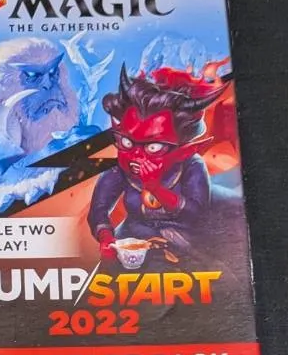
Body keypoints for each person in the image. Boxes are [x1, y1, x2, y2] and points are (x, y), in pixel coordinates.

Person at [88, 64, 228, 268]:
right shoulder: (121, 169)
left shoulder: (191, 165)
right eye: (127, 142)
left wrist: (156, 188)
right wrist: (106, 237)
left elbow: (196, 214)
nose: (136, 155)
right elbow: (98, 210)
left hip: (187, 247)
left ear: (182, 148)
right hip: (133, 243)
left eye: (153, 147)